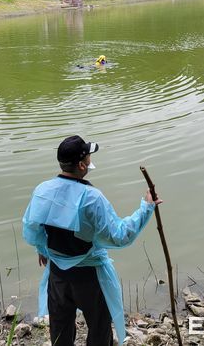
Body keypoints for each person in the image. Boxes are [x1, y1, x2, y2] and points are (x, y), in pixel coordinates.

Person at [22, 135, 161, 346]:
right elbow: (120, 236)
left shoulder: (43, 190)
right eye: (87, 157)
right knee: (99, 328)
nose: (89, 161)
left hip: (58, 274)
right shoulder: (91, 197)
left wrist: (42, 249)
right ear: (81, 165)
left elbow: (33, 227)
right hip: (89, 277)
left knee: (60, 330)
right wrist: (147, 207)